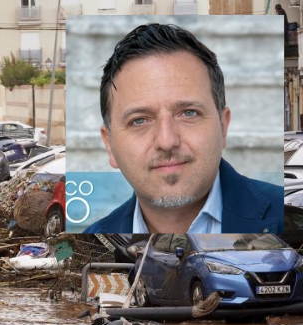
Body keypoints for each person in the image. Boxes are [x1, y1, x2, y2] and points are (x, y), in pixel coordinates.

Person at [84, 23, 283, 234]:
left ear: (223, 126)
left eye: (189, 113)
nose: (167, 141)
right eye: (139, 120)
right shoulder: (90, 241)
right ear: (109, 144)